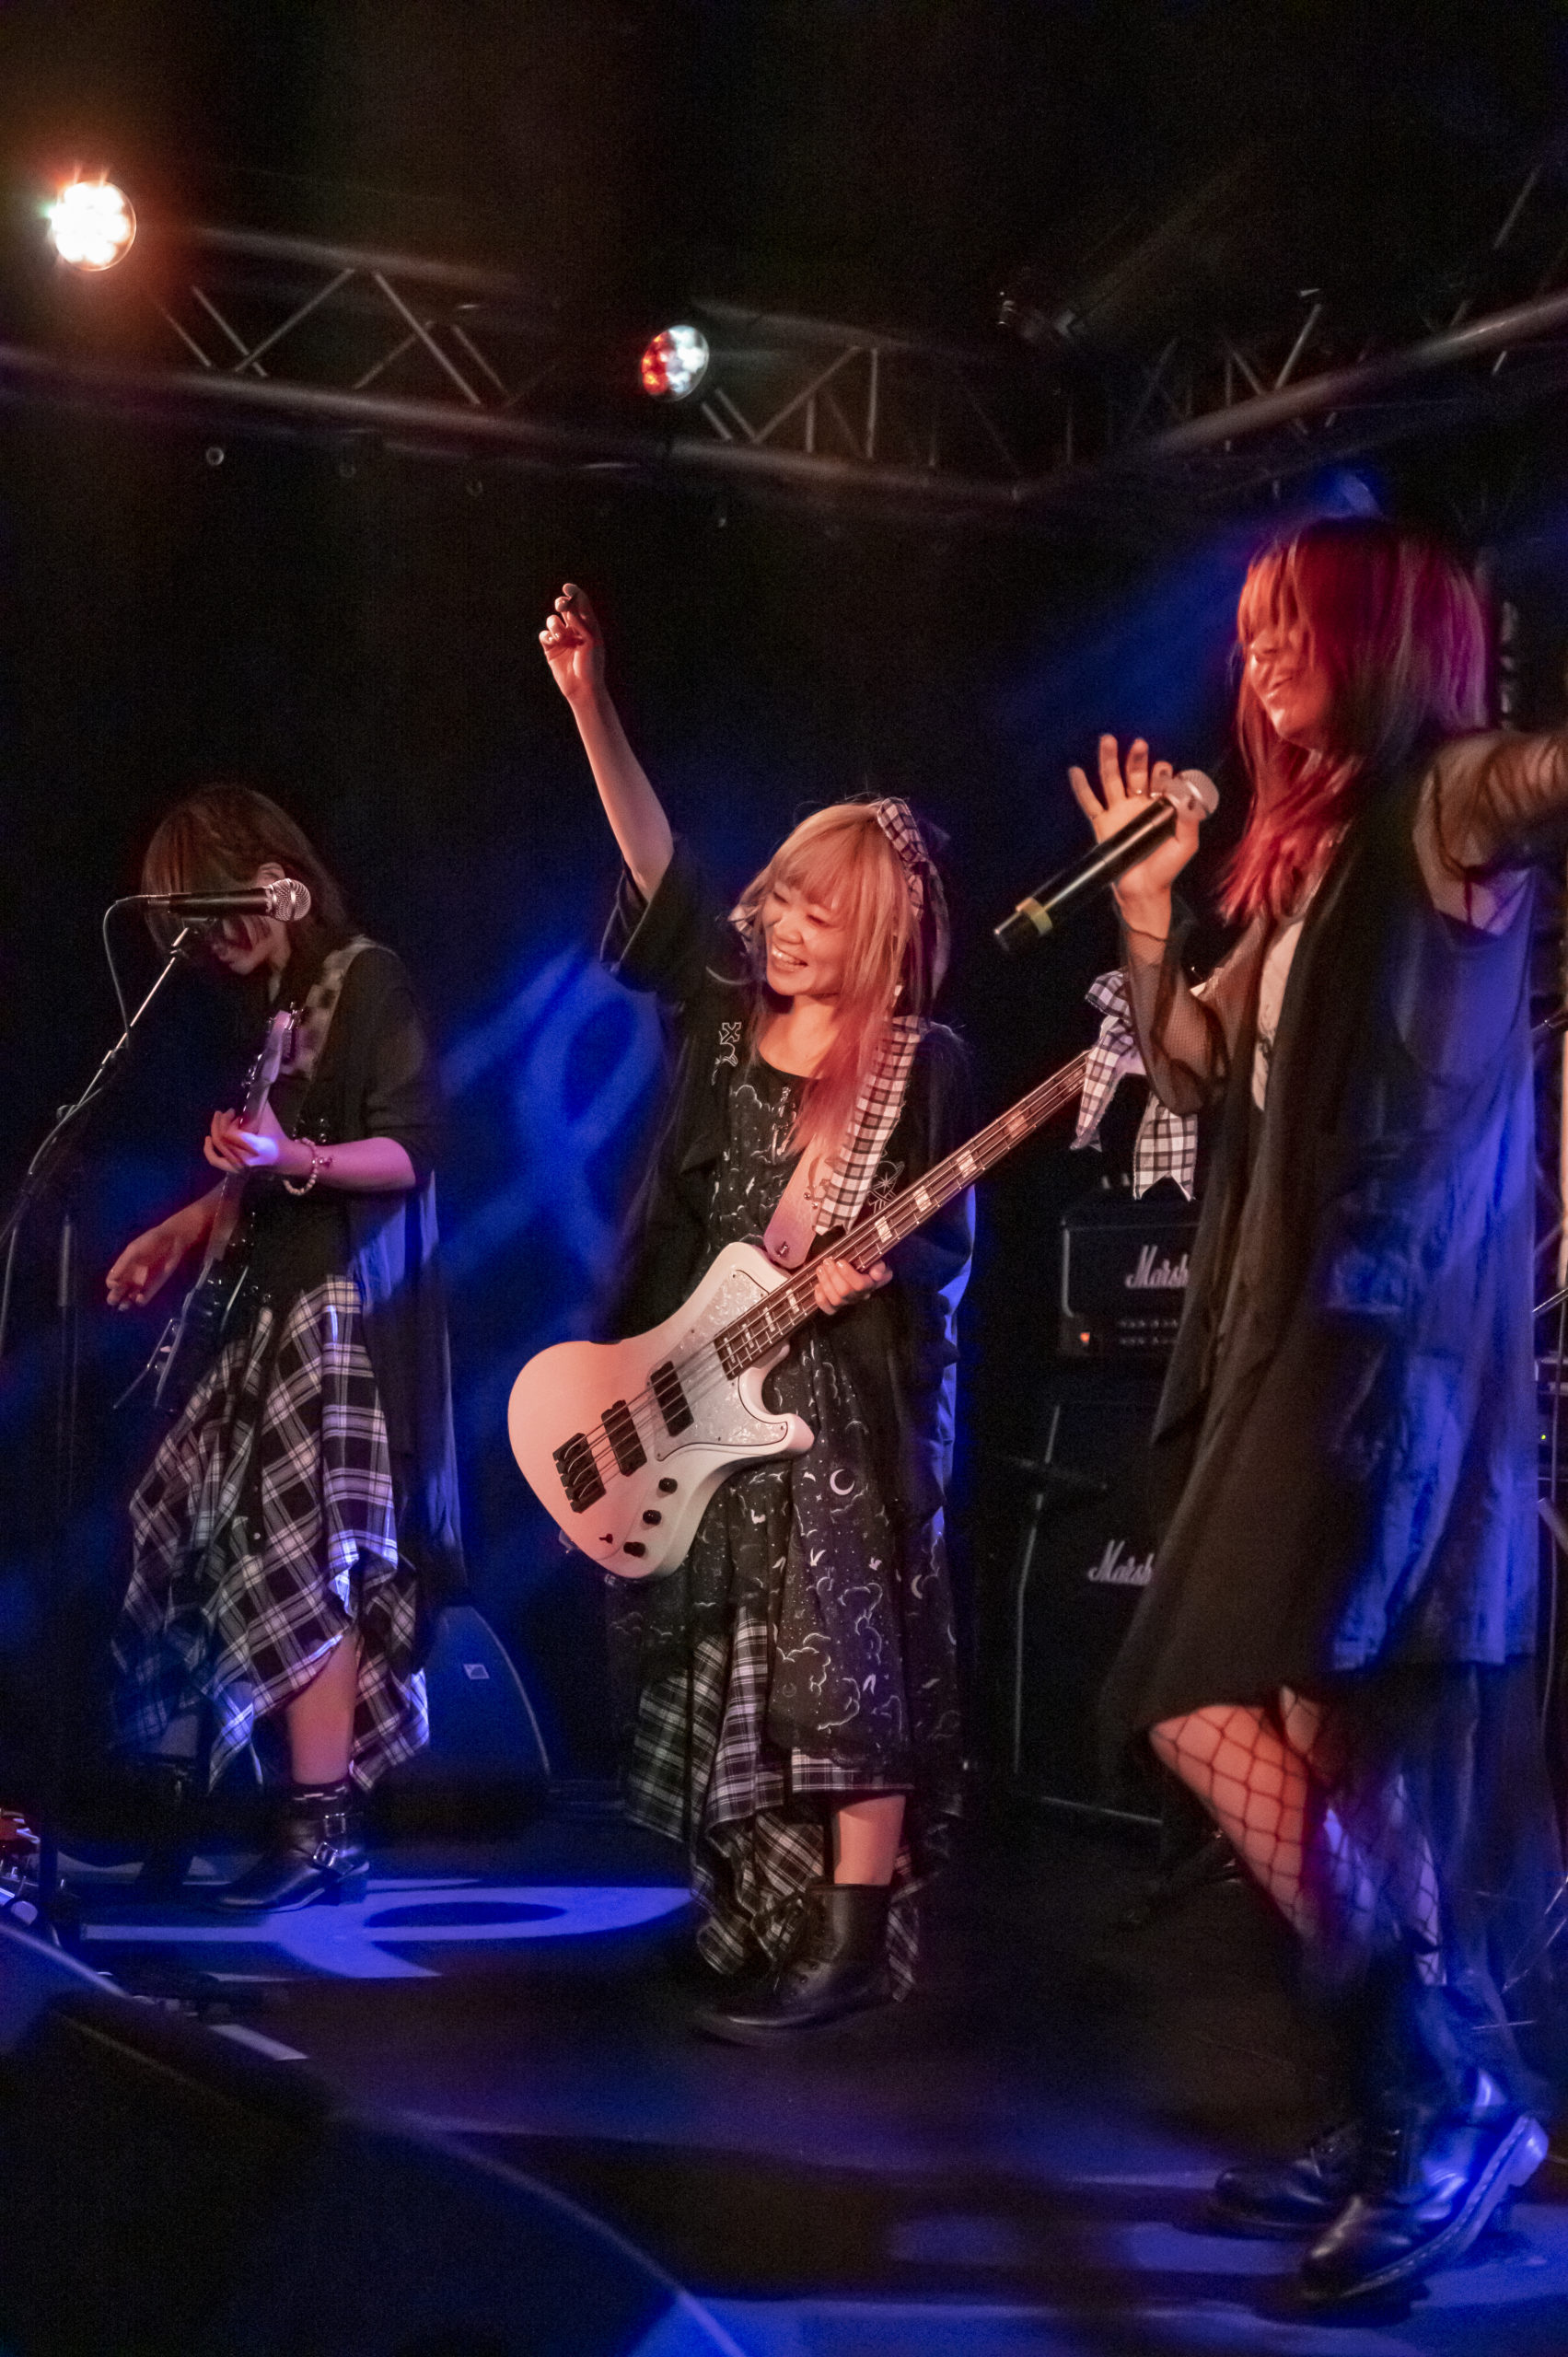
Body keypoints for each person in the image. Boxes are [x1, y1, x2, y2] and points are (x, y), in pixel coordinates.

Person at [1070, 517, 1568, 2305]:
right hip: (1286, 1341)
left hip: (1379, 1352)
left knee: (1187, 1695)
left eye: (1296, 622)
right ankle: (1399, 2107)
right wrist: (1145, 912)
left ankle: (1433, 2094)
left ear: (1384, 637)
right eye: (1250, 628)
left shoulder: (1445, 801)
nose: (1262, 654)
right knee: (1322, 1738)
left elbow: (1542, 779)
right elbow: (1193, 1066)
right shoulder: (1302, 855)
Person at [539, 583, 972, 2039]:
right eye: (778, 899)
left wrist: (876, 1268)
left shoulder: (918, 1063)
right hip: (707, 1382)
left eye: (815, 911)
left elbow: (949, 1237)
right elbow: (656, 873)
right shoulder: (723, 1025)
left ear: (878, 929)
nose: (782, 925)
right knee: (714, 1648)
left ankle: (846, 1941)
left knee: (838, 1658)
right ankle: (749, 1916)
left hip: (839, 1402)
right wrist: (589, 702)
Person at [108, 787, 463, 1910]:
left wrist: (289, 1158)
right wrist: (181, 1229)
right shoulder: (271, 1006)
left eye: (217, 909)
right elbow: (260, 1170)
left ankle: (322, 1830)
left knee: (313, 1558)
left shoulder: (366, 977)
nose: (212, 942)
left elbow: (409, 1147)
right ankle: (188, 1801)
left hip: (338, 1313)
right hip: (262, 1307)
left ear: (271, 874)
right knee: (190, 1530)